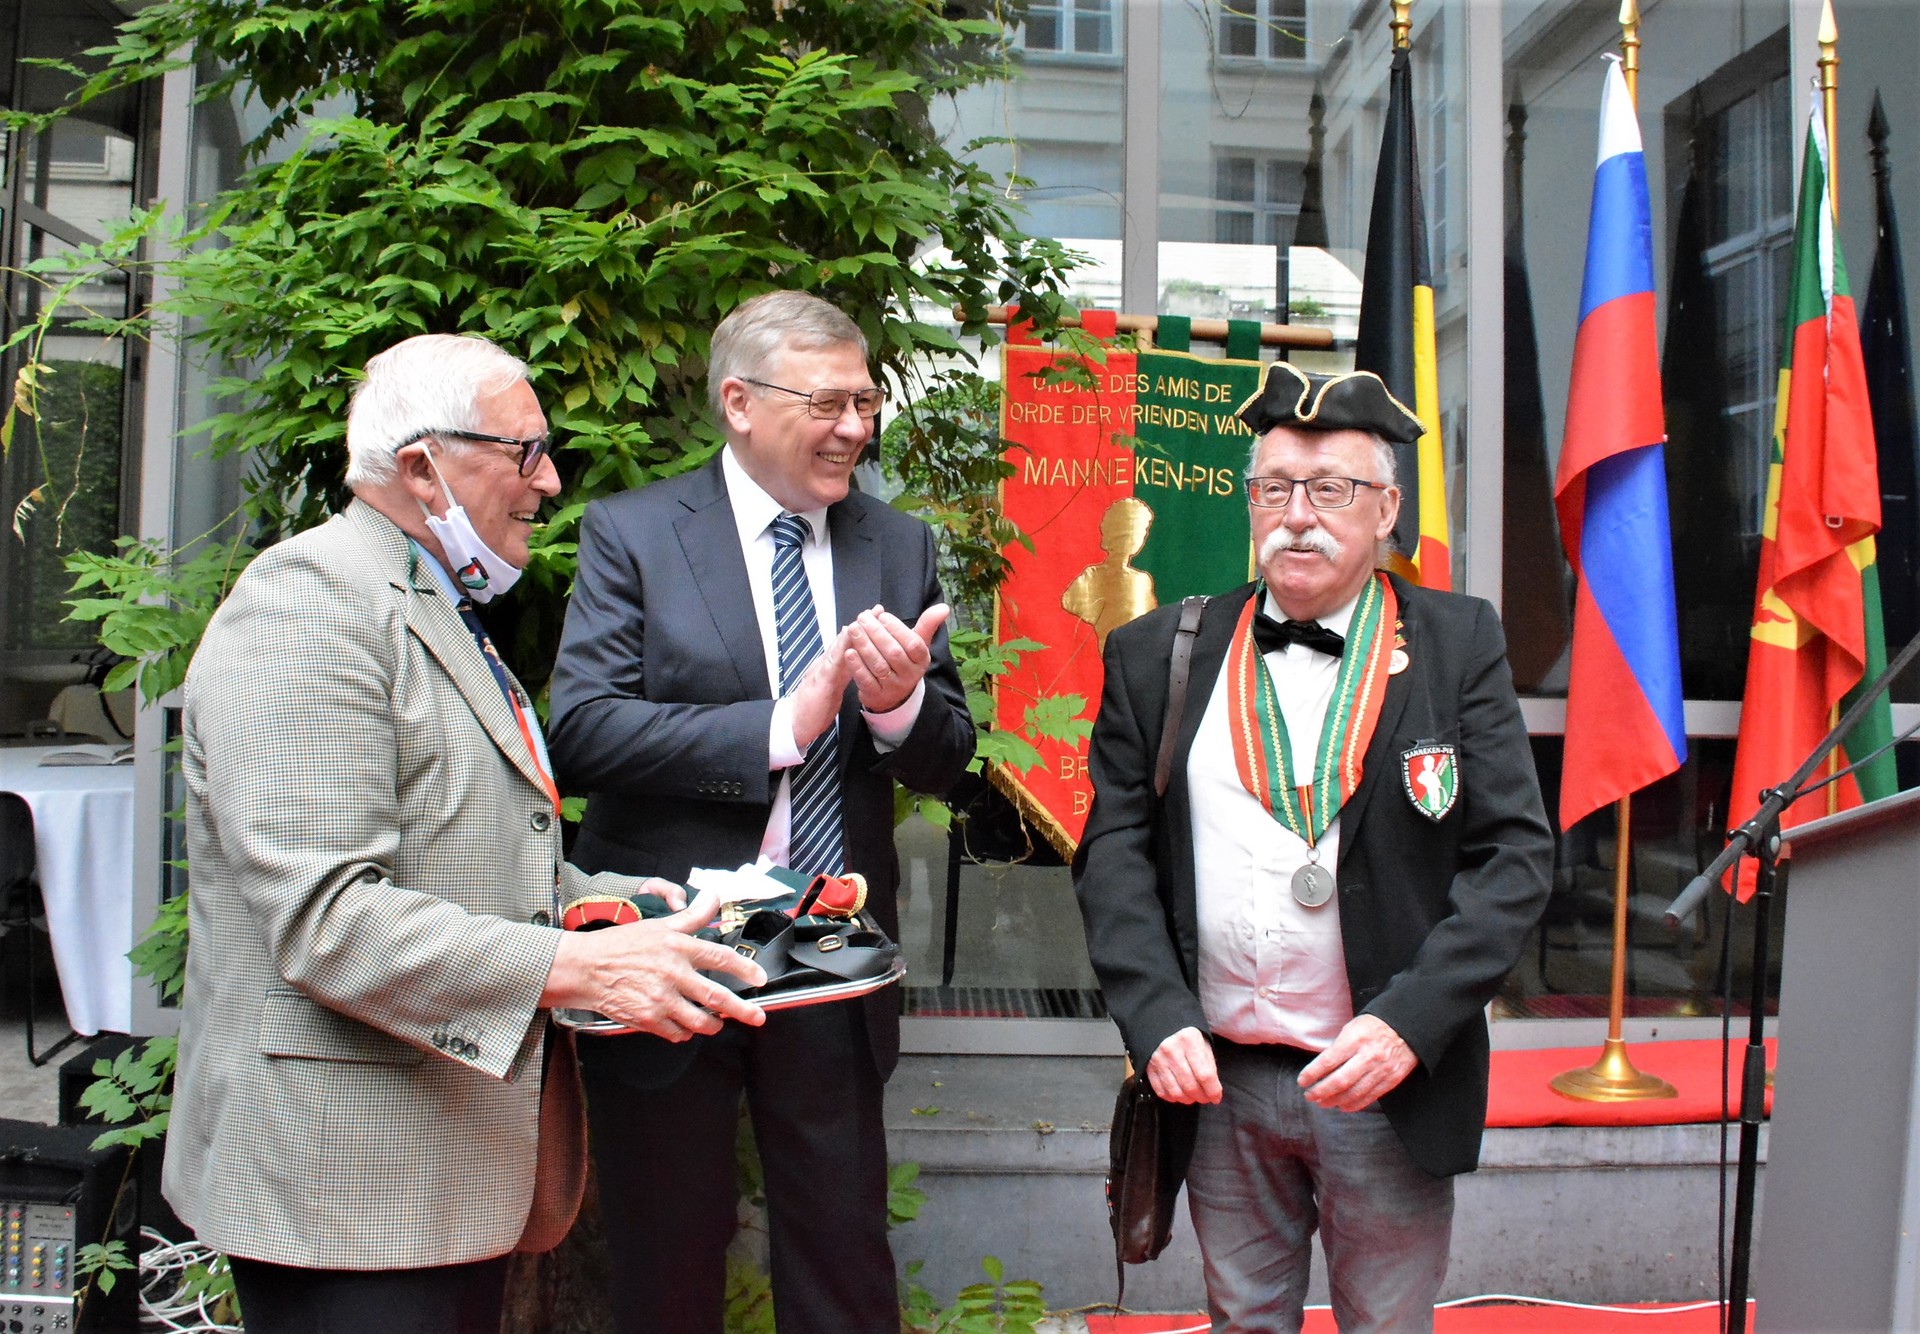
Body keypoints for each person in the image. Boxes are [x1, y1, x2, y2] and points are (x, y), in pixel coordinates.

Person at [164, 334, 767, 1334]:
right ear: (420, 464)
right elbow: (328, 918)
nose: (551, 479)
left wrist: (611, 907)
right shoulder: (307, 604)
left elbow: (455, 838)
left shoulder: (430, 597)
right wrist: (576, 968)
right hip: (344, 1190)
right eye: (524, 451)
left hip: (437, 1176)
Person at [1073, 363, 1553, 1333]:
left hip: (1381, 1077)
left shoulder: (1458, 644)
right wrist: (1156, 1012)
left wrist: (1408, 1023)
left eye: (1330, 488)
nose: (1299, 514)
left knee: (1385, 1321)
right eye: (1276, 488)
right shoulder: (1156, 653)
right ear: (1250, 505)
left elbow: (1515, 858)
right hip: (1218, 1078)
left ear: (1385, 510)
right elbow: (1114, 853)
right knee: (1242, 1318)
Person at [546, 289, 975, 1334]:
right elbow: (585, 731)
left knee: (843, 1254)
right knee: (667, 1256)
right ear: (738, 401)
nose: (856, 428)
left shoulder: (897, 543)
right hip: (675, 947)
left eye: (866, 401)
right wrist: (784, 722)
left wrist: (897, 702)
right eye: (829, 402)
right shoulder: (636, 533)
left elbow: (955, 752)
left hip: (832, 940)